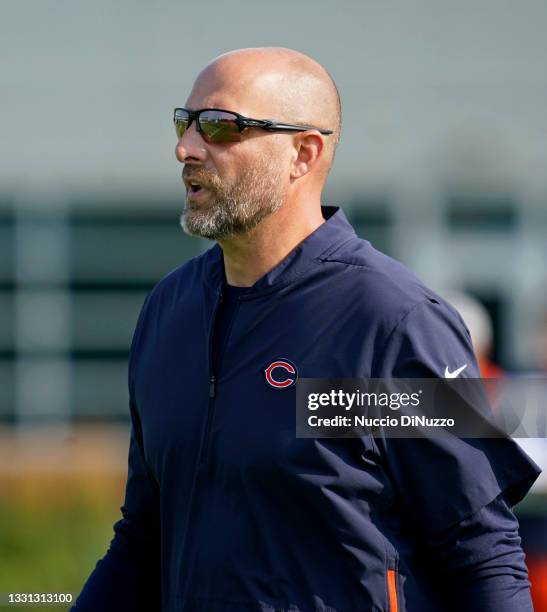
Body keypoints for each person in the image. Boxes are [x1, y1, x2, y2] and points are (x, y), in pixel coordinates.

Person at [73, 47, 541, 612]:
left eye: (220, 126)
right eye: (185, 121)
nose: (186, 147)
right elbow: (144, 541)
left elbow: (480, 551)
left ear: (303, 153)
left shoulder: (392, 322)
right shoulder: (167, 311)